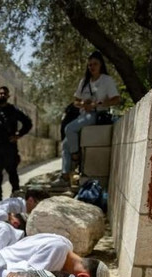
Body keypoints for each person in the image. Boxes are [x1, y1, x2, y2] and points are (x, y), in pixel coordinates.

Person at [56, 51, 120, 187]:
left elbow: (116, 99)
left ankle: (75, 155)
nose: (92, 67)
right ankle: (64, 176)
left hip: (97, 114)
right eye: (90, 65)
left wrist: (99, 104)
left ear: (101, 65)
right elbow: (75, 102)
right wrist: (84, 104)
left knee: (69, 128)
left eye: (95, 64)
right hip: (84, 114)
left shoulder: (106, 80)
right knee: (65, 144)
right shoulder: (84, 82)